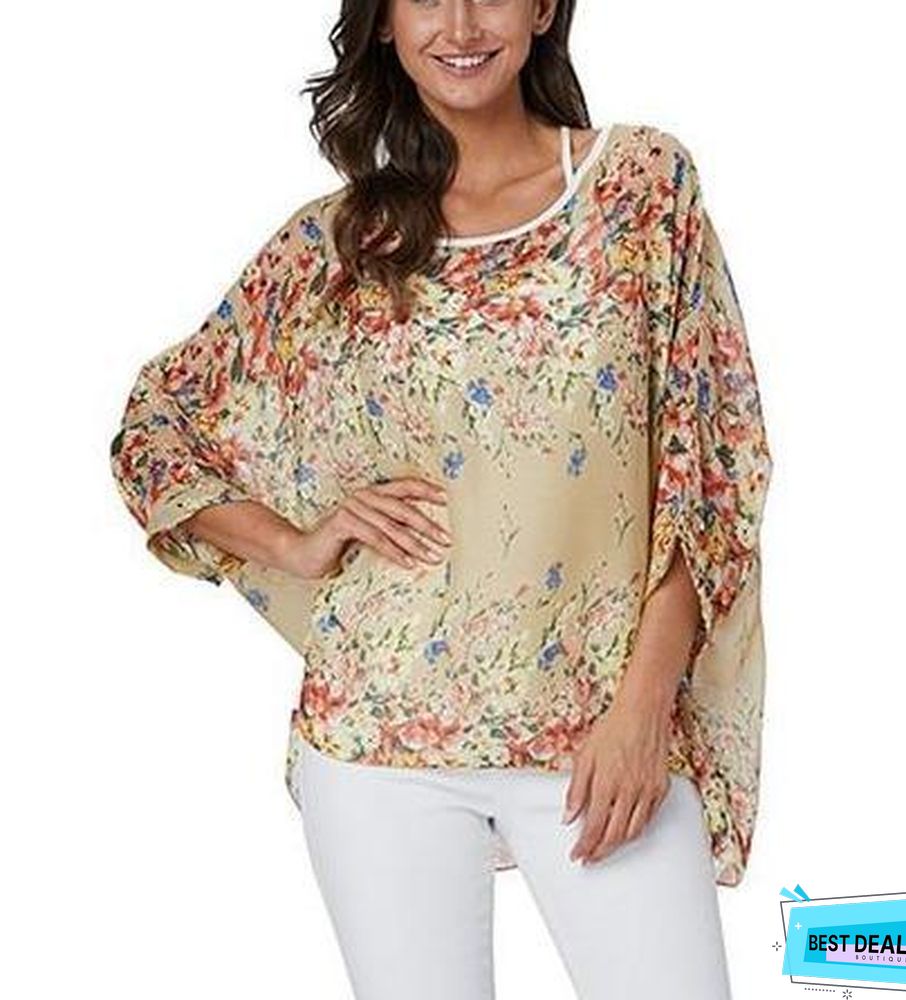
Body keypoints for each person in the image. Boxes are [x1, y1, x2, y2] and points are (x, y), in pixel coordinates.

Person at [108, 0, 773, 996]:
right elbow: (157, 426)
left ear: (543, 7)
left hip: (600, 732)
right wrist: (292, 542)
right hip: (377, 739)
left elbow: (707, 470)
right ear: (382, 22)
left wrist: (643, 708)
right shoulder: (341, 243)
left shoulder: (638, 189)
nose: (460, 23)